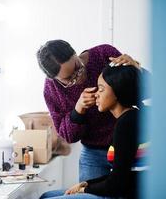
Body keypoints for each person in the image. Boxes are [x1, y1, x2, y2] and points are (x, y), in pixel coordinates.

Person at [36, 40, 141, 182]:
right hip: (93, 153)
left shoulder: (103, 54)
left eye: (78, 67)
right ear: (54, 79)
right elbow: (68, 136)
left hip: (126, 145)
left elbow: (144, 90)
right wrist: (79, 109)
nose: (78, 77)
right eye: (69, 79)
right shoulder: (51, 90)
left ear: (75, 53)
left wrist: (136, 68)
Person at [40, 65, 146, 199]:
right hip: (121, 189)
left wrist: (85, 189)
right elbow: (118, 174)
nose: (96, 94)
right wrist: (86, 183)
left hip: (124, 194)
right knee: (47, 195)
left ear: (118, 91)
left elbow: (117, 183)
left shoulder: (126, 124)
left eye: (101, 89)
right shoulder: (130, 117)